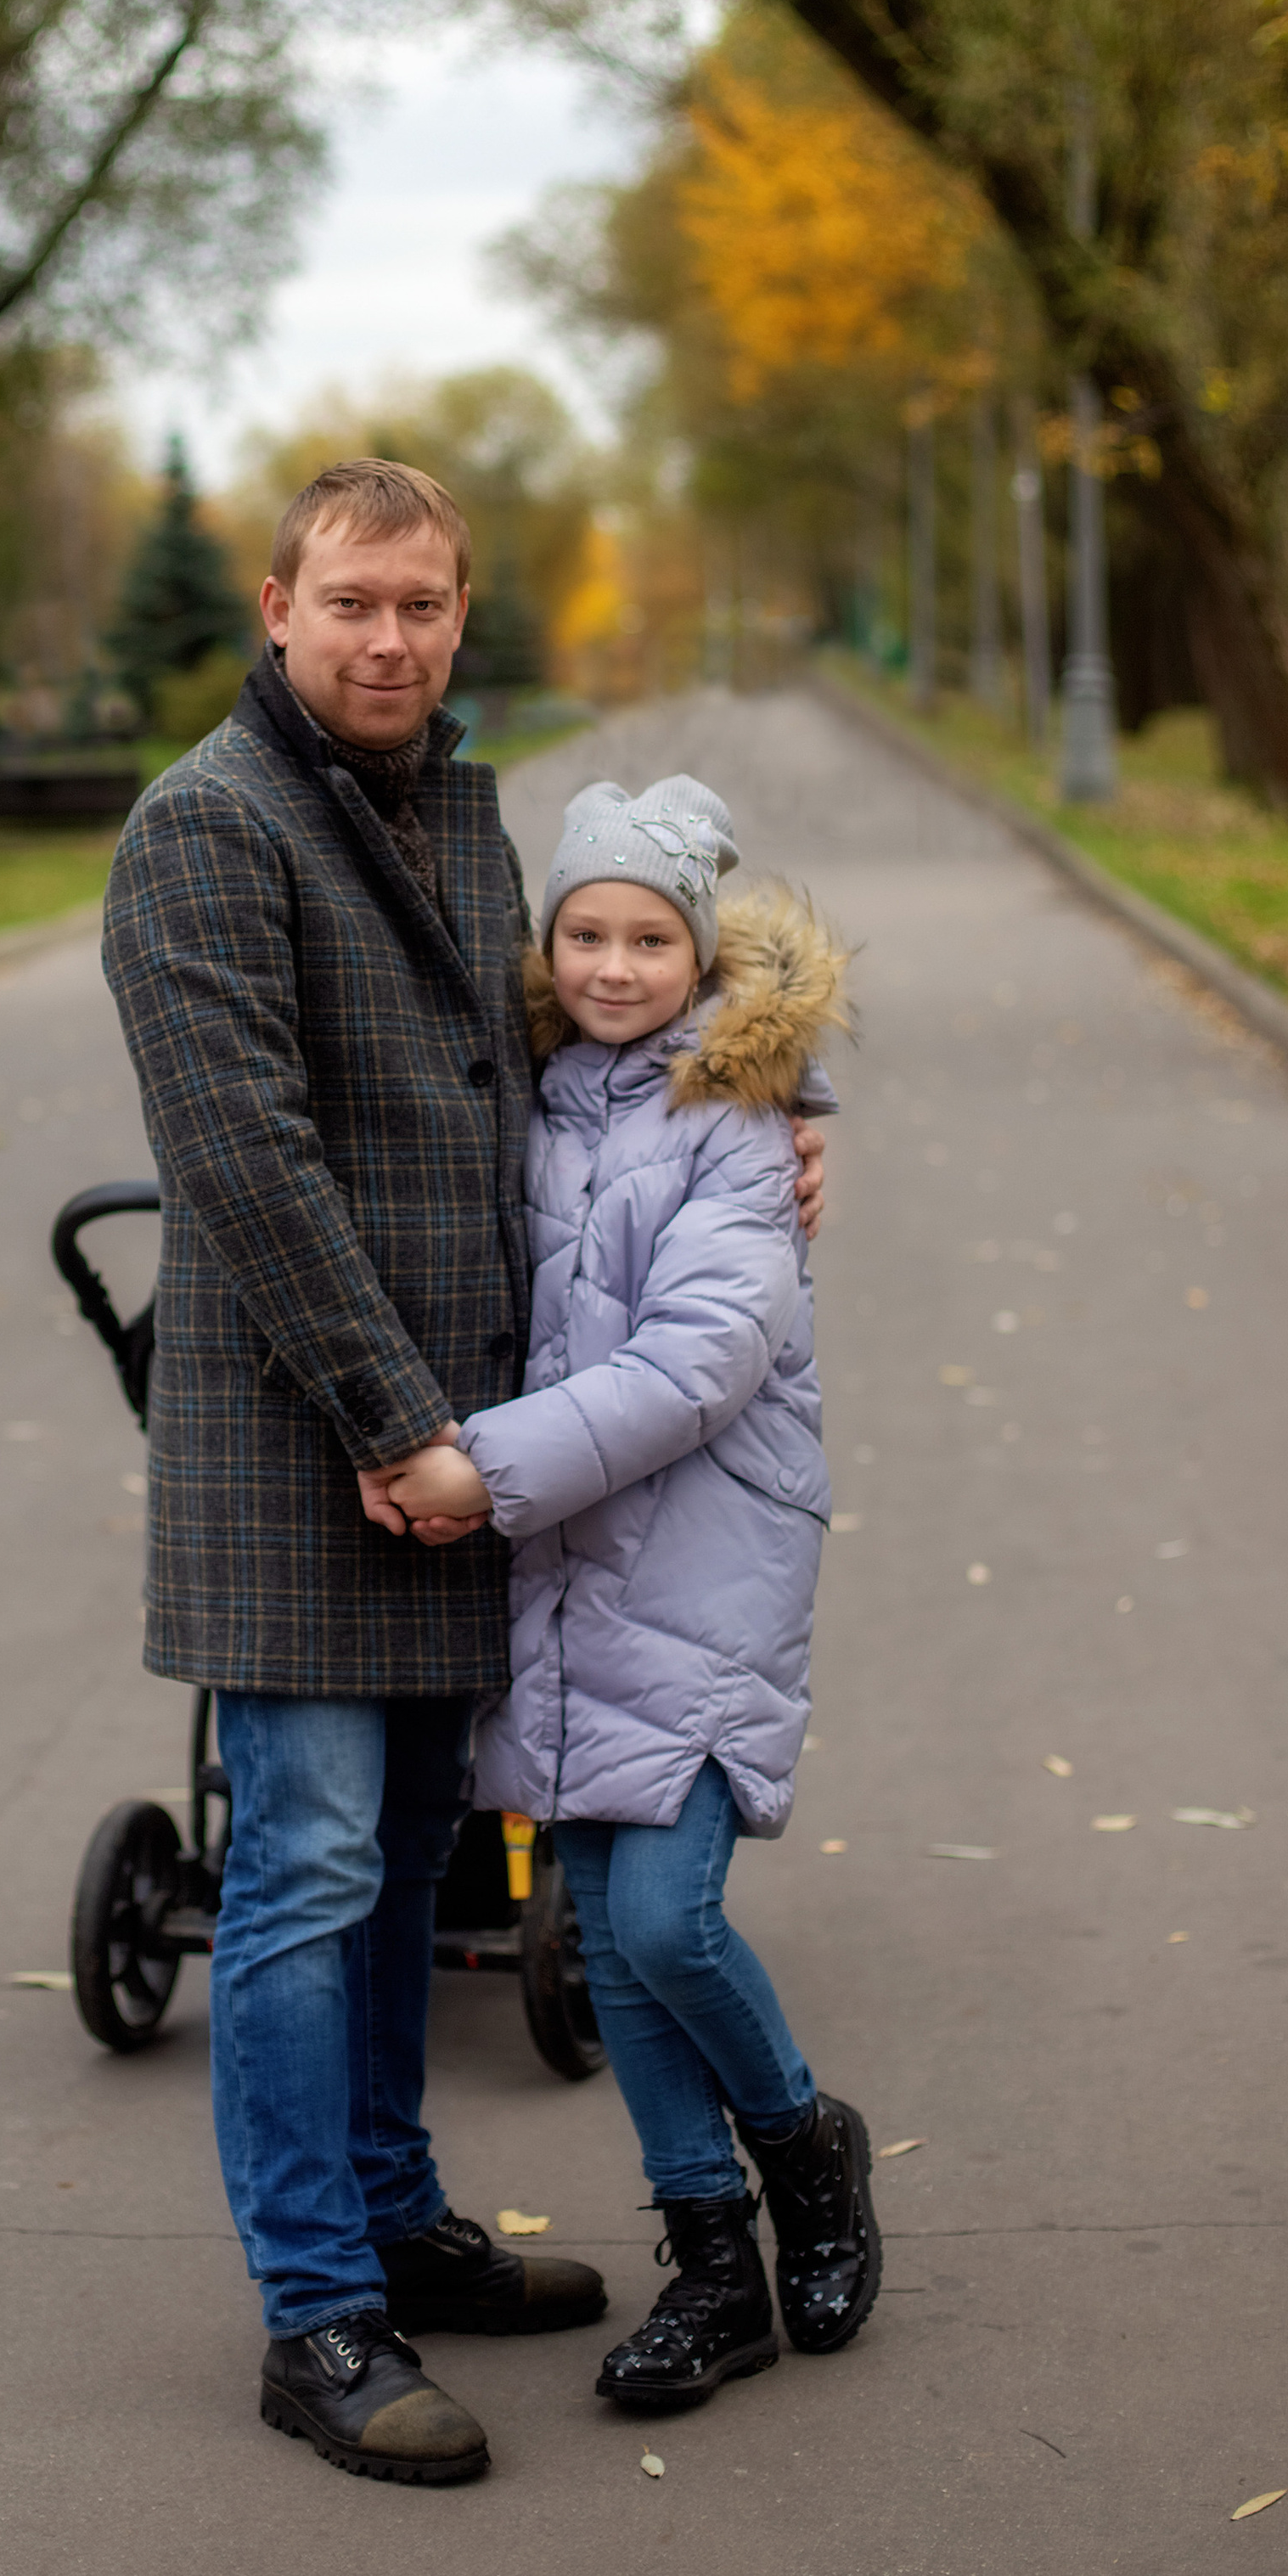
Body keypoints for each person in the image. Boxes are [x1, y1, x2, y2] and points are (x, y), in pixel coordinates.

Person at [101, 464, 826, 2486]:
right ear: (274, 604)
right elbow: (243, 1158)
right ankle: (317, 2308)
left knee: (415, 1861)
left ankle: (403, 2215)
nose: (390, 636)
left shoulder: (459, 807)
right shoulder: (204, 832)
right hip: (312, 1452)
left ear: (456, 614)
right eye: (352, 600)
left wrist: (779, 1111)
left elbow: (583, 1052)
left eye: (423, 603)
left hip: (471, 1450)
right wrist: (396, 1428)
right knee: (309, 1871)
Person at [389, 775, 880, 2416]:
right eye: (584, 933)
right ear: (547, 951)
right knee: (608, 1938)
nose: (612, 963)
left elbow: (701, 1358)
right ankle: (713, 2264)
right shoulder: (545, 1104)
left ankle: (807, 2146)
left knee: (665, 1916)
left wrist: (485, 1468)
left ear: (703, 951)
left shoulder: (736, 1126)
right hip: (569, 1569)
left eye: (647, 936)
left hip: (696, 1556)